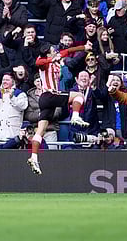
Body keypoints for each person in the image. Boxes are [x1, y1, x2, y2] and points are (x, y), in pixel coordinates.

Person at [27, 45, 89, 175]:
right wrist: (51, 59)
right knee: (79, 95)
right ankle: (75, 116)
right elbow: (38, 62)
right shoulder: (44, 62)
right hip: (50, 94)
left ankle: (34, 157)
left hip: (46, 100)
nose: (55, 51)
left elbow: (68, 51)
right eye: (52, 50)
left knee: (41, 130)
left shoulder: (55, 58)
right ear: (47, 53)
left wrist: (84, 47)